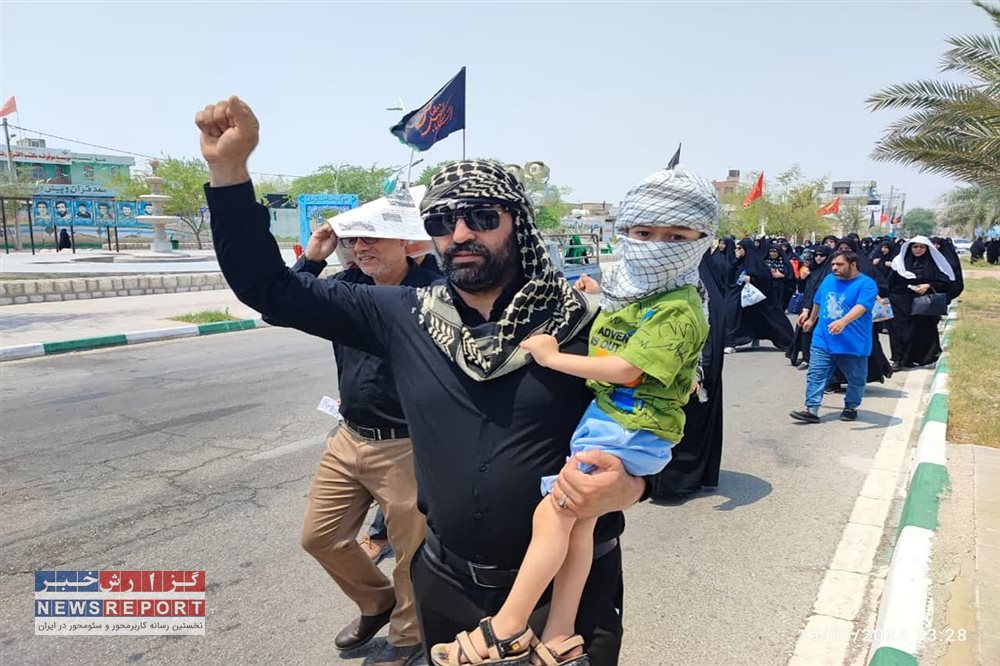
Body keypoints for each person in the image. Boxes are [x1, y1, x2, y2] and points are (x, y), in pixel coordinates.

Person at [197, 96, 646, 666]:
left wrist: (631, 488)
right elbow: (268, 289)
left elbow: (665, 437)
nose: (460, 234)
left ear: (519, 223)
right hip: (447, 585)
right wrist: (229, 172)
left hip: (567, 594)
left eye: (481, 218)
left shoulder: (588, 325)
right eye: (440, 223)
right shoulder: (404, 315)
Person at [430, 168, 714, 666]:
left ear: (702, 240)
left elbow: (627, 369)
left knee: (553, 514)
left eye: (676, 237)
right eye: (644, 233)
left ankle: (507, 627)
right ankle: (560, 633)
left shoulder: (678, 307)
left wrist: (551, 356)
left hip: (627, 426)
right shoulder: (642, 291)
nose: (656, 247)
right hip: (616, 422)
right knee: (579, 525)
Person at [276, 229, 439, 666]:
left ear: (405, 242)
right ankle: (377, 602)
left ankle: (409, 634)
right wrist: (312, 259)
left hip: (406, 445)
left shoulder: (433, 291)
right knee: (320, 537)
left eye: (373, 238)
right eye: (354, 241)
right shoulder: (348, 286)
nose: (360, 248)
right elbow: (280, 307)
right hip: (349, 437)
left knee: (410, 552)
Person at [651, 247, 728, 501]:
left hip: (691, 371)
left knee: (685, 425)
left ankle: (676, 484)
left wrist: (697, 374)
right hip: (671, 366)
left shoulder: (699, 289)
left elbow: (707, 335)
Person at [790, 250, 878, 423]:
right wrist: (811, 319)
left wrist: (843, 321)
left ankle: (851, 407)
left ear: (853, 265)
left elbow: (861, 307)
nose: (835, 268)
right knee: (816, 374)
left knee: (856, 378)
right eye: (833, 264)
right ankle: (811, 409)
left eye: (840, 264)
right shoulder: (829, 279)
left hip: (853, 343)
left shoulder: (866, 284)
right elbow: (819, 300)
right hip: (823, 338)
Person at [886, 236, 955, 370]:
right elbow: (890, 282)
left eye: (922, 247)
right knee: (898, 330)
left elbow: (945, 282)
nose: (918, 250)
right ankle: (898, 359)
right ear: (909, 248)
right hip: (901, 301)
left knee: (920, 330)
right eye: (915, 247)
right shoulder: (899, 262)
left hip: (923, 302)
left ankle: (918, 358)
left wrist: (928, 285)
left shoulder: (933, 264)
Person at [731, 238, 794, 351]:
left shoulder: (757, 262)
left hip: (761, 300)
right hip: (746, 300)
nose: (737, 250)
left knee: (772, 321)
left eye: (739, 248)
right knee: (741, 319)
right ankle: (735, 341)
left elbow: (764, 277)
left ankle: (789, 342)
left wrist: (752, 279)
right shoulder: (740, 262)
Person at [787, 245, 831, 369]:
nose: (818, 258)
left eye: (822, 255)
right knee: (805, 331)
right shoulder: (811, 269)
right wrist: (802, 278)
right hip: (807, 304)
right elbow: (803, 289)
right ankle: (806, 358)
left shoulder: (829, 272)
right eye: (816, 255)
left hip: (824, 306)